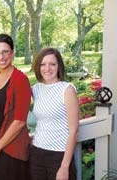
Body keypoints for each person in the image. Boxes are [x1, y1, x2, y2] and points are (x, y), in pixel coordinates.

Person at [0, 33, 32, 180]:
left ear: (13, 53)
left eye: (5, 52)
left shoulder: (20, 80)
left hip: (11, 150)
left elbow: (19, 121)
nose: (1, 57)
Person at [30, 47, 79, 180]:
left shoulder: (67, 90)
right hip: (36, 153)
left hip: (59, 156)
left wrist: (64, 167)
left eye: (52, 64)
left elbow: (74, 130)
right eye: (43, 64)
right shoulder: (36, 89)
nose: (47, 68)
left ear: (59, 66)